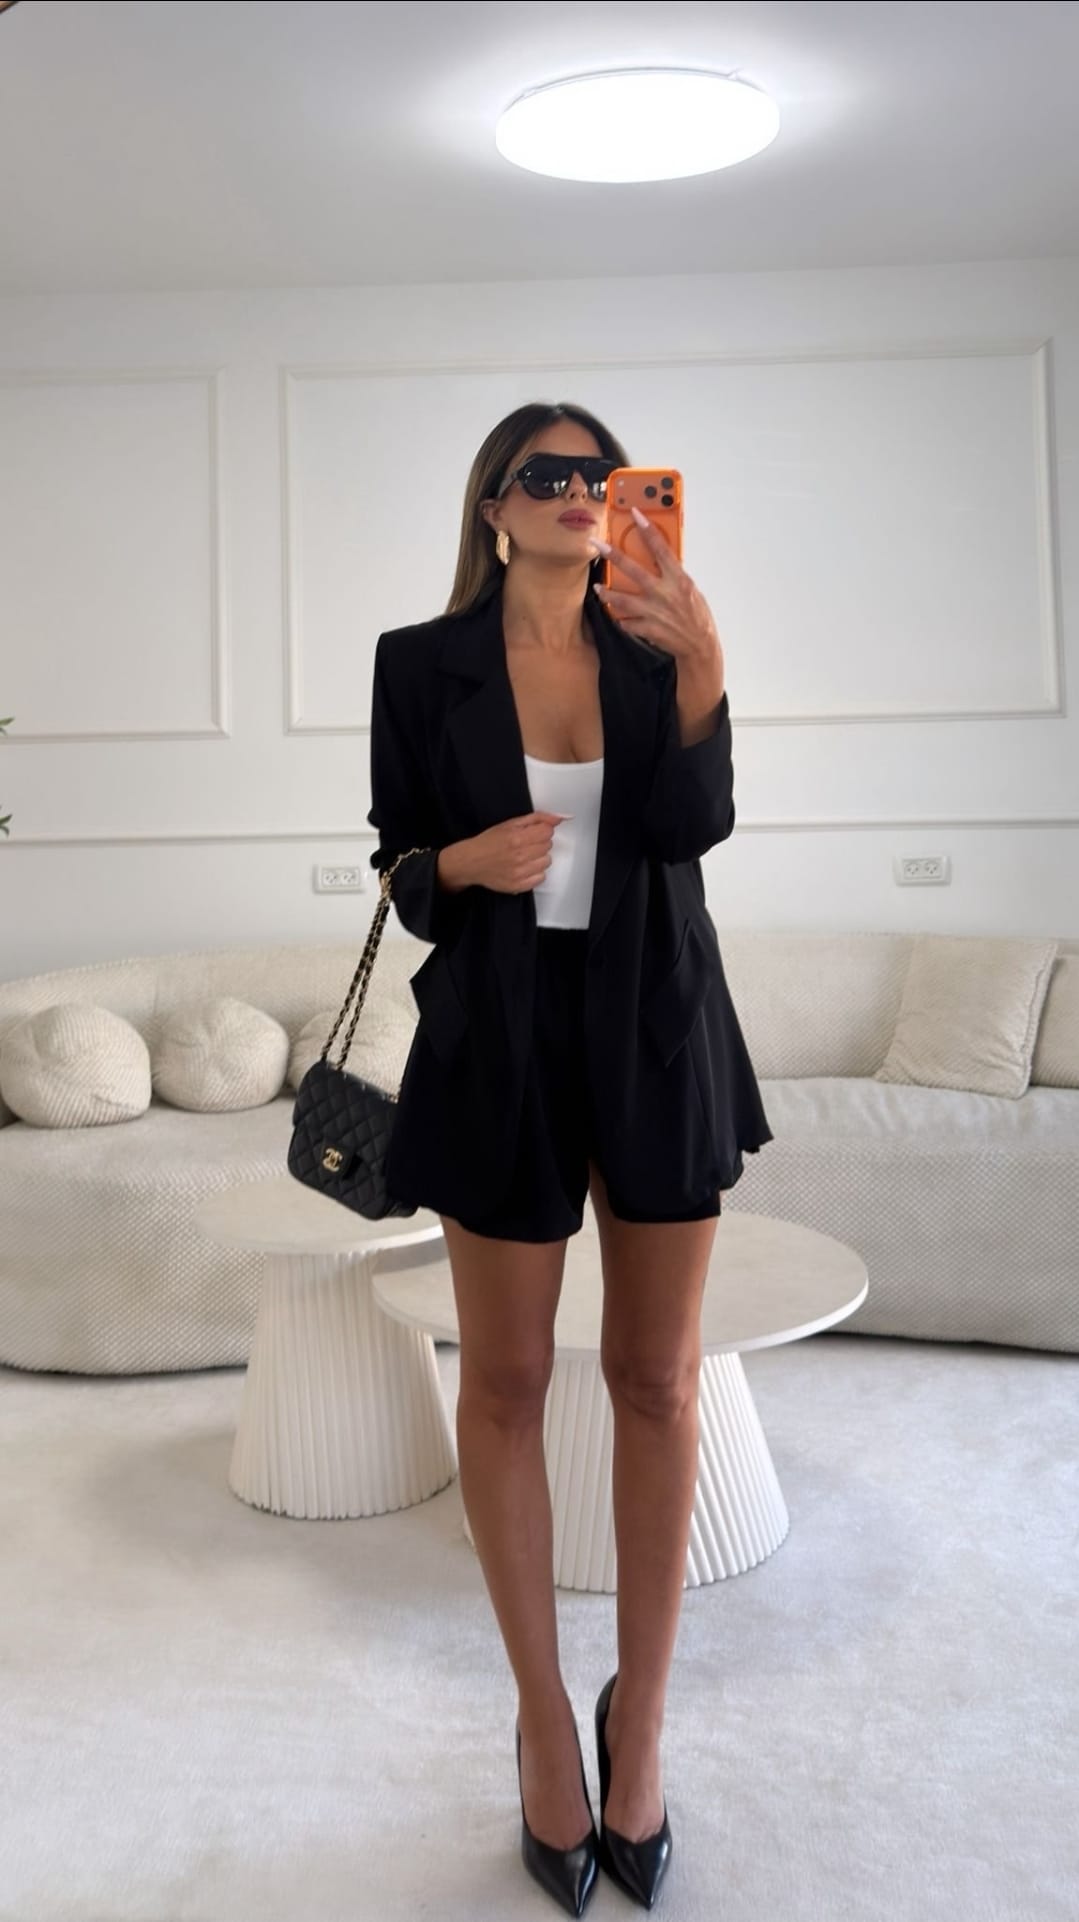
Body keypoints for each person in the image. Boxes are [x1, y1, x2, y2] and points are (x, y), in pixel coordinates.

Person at [366, 401, 774, 1914]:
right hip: (501, 1034)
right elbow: (401, 862)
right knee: (507, 1381)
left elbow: (693, 827)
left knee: (658, 1379)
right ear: (493, 506)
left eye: (600, 477)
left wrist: (704, 666)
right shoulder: (422, 662)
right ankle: (546, 1717)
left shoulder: (658, 643)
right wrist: (463, 863)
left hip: (655, 1021)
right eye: (545, 475)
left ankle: (639, 1723)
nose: (578, 494)